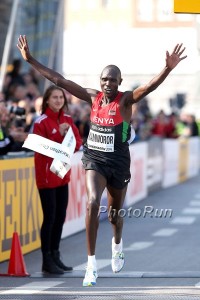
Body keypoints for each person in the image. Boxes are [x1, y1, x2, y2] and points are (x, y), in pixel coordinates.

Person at [17, 35, 187, 285]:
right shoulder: (92, 97)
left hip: (118, 163)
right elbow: (59, 80)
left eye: (113, 80)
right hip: (94, 160)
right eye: (104, 79)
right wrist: (30, 60)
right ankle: (91, 264)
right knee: (92, 203)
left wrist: (166, 69)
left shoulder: (126, 100)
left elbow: (148, 88)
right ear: (100, 81)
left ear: (120, 82)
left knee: (114, 216)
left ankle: (117, 244)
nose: (108, 83)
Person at [29, 85, 82, 274]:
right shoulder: (40, 122)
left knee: (60, 216)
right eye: (54, 98)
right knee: (50, 217)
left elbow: (77, 143)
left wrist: (68, 134)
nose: (58, 100)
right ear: (47, 101)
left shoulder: (68, 119)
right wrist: (60, 135)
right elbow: (39, 147)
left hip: (62, 175)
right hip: (46, 177)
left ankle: (55, 255)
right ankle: (46, 260)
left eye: (61, 97)